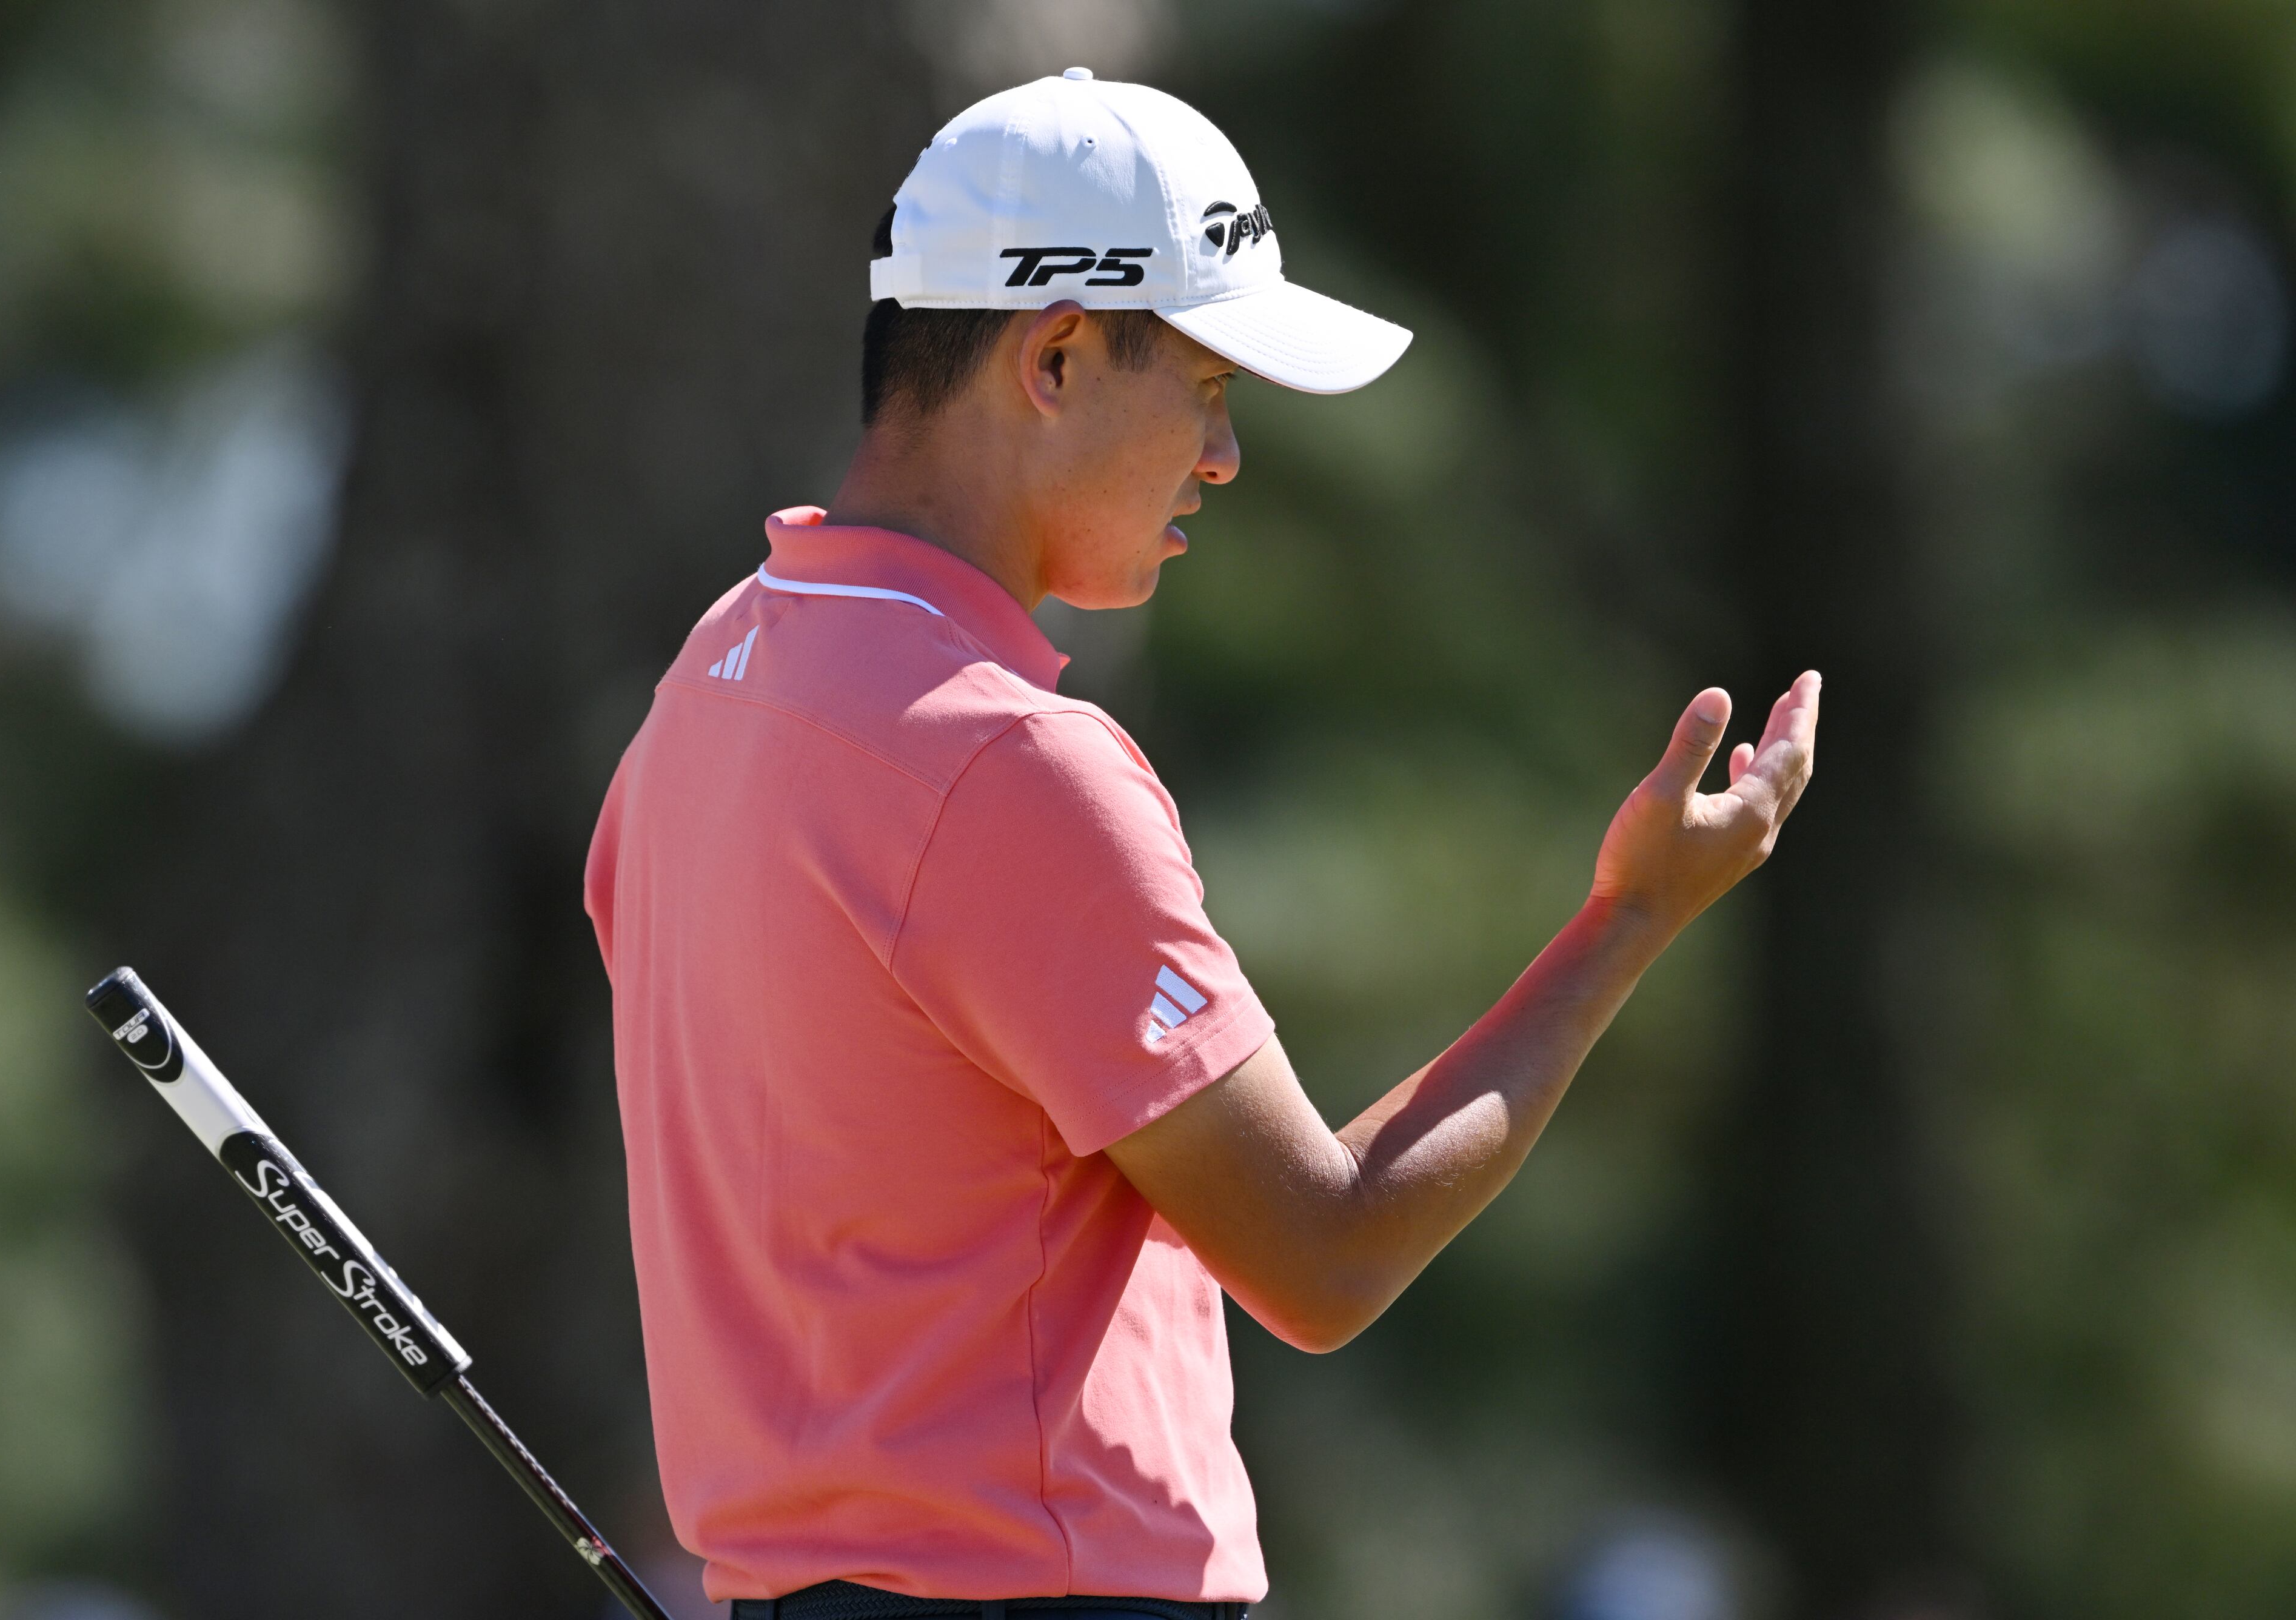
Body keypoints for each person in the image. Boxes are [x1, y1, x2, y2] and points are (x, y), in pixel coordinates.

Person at [584, 69, 1818, 1620]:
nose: (1224, 458)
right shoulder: (1008, 765)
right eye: (1207, 387)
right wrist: (1629, 918)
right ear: (1055, 357)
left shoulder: (707, 684)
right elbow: (1328, 1254)